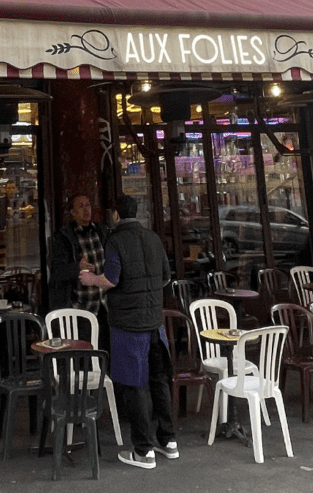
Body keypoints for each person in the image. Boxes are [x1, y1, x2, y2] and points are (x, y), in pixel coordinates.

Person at [78, 194, 176, 470]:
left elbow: (111, 279)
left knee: (135, 386)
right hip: (155, 322)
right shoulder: (154, 238)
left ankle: (143, 451)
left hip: (128, 326)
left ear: (116, 215)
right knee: (159, 380)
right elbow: (166, 277)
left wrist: (90, 279)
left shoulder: (116, 240)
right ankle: (169, 441)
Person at [49, 193, 109, 317]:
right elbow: (57, 271)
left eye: (88, 205)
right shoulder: (65, 237)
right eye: (81, 206)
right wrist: (78, 267)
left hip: (104, 305)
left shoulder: (101, 232)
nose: (86, 209)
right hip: (81, 308)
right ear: (73, 212)